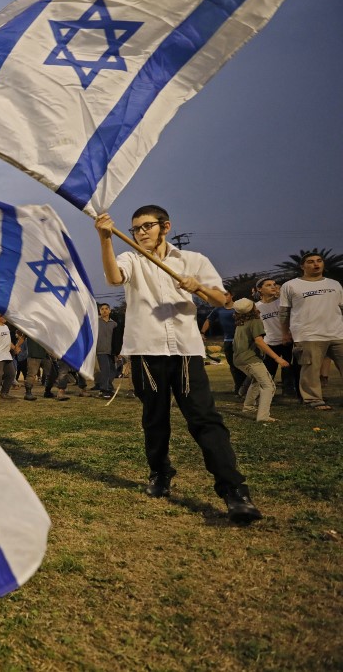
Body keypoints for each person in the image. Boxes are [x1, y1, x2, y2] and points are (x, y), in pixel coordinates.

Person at [95, 205, 261, 524]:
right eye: (135, 228)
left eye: (147, 226)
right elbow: (114, 278)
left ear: (165, 226)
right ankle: (160, 472)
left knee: (205, 419)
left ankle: (234, 491)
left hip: (185, 350)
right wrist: (105, 239)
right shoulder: (131, 258)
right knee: (155, 420)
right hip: (146, 350)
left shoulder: (192, 261)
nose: (141, 232)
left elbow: (221, 300)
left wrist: (197, 287)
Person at [279, 253, 343, 410]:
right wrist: (285, 333)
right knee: (310, 370)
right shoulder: (290, 286)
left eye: (319, 261)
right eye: (311, 262)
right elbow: (284, 312)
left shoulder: (335, 284)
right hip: (308, 334)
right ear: (302, 266)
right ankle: (313, 399)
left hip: (337, 333)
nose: (316, 264)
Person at [232, 298, 289, 423]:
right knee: (268, 386)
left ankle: (248, 407)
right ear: (253, 308)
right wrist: (277, 358)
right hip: (250, 359)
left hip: (238, 359)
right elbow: (259, 341)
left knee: (257, 381)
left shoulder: (240, 322)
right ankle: (263, 416)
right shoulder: (255, 320)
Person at [254, 277, 295, 397]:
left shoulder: (282, 303)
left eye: (274, 284)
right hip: (269, 343)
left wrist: (288, 334)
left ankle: (289, 392)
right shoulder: (256, 307)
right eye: (268, 285)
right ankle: (264, 393)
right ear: (259, 289)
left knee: (288, 368)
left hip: (287, 340)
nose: (273, 287)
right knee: (268, 370)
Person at [201, 292, 247, 396]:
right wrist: (202, 333)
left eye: (226, 294)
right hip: (228, 340)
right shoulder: (218, 309)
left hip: (243, 340)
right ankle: (239, 387)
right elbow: (208, 320)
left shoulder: (239, 307)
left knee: (245, 365)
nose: (224, 297)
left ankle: (247, 388)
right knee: (233, 365)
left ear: (232, 295)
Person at [95, 303, 119, 398]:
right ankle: (104, 390)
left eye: (106, 309)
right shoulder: (95, 322)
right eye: (102, 309)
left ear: (110, 310)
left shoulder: (114, 324)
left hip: (111, 351)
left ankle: (107, 388)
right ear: (99, 311)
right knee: (105, 369)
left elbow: (117, 339)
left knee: (112, 370)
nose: (104, 310)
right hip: (100, 350)